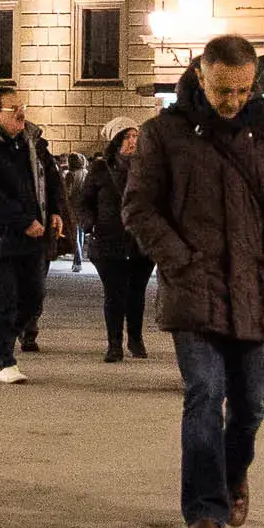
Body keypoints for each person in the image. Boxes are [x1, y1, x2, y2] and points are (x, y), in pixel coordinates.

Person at [124, 37, 264, 528]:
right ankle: (204, 510)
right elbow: (139, 208)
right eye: (222, 90)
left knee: (252, 401)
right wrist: (179, 259)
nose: (232, 100)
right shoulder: (163, 133)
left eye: (243, 90)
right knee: (205, 393)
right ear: (201, 77)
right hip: (195, 285)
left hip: (258, 282)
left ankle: (233, 473)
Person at [0, 85, 61, 382]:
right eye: (13, 108)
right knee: (2, 298)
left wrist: (55, 210)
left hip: (34, 235)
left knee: (34, 299)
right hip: (1, 236)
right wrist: (23, 220)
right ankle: (4, 361)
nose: (21, 113)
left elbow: (51, 177)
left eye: (22, 106)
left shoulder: (32, 144)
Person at [84, 122, 154, 361]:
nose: (133, 141)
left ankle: (135, 339)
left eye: (135, 136)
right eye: (127, 137)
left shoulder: (148, 167)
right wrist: (89, 223)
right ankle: (114, 343)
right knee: (114, 294)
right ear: (116, 141)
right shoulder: (100, 168)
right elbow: (84, 201)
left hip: (140, 243)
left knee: (136, 294)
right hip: (108, 241)